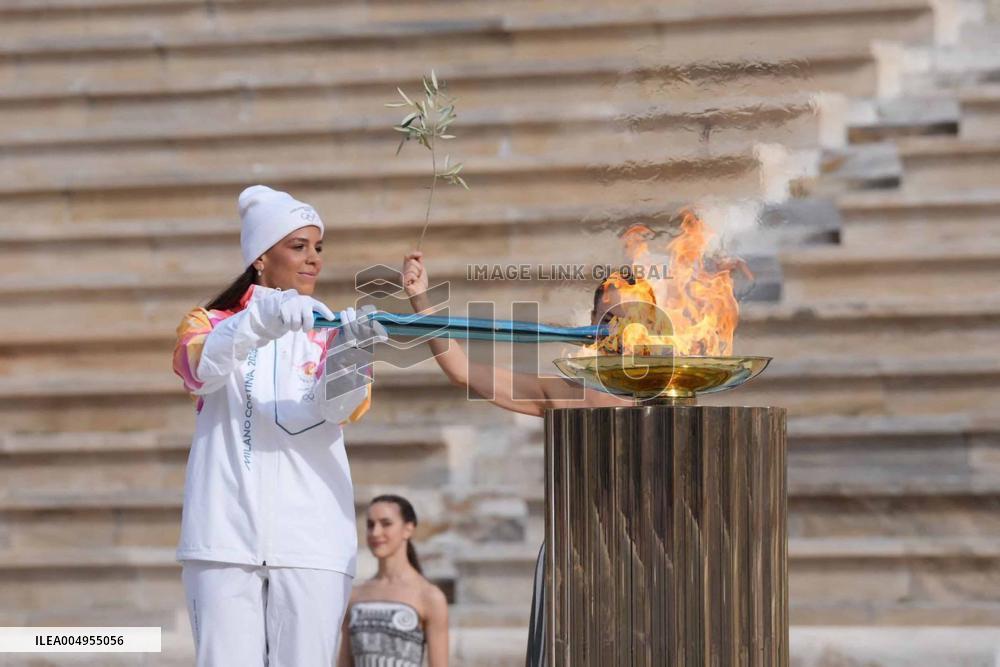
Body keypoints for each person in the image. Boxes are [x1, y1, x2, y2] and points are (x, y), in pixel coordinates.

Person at [171, 185, 387, 667]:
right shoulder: (208, 321)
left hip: (312, 541)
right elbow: (197, 370)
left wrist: (352, 351)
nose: (313, 259)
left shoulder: (329, 327)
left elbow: (338, 410)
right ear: (261, 258)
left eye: (318, 247)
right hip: (222, 538)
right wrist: (258, 321)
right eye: (298, 246)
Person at [401, 251, 633, 667]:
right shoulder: (565, 393)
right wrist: (421, 300)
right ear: (592, 322)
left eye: (630, 317)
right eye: (607, 316)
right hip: (574, 556)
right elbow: (463, 371)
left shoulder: (674, 393)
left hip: (651, 555)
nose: (617, 327)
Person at [339, 494, 449, 667]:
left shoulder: (429, 596)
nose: (375, 532)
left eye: (386, 524)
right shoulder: (354, 596)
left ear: (408, 529)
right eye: (370, 525)